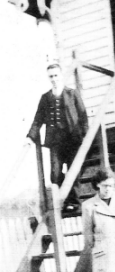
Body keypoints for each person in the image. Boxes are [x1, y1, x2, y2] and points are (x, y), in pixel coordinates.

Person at [26, 63, 88, 212]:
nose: (54, 79)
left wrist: (85, 137)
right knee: (54, 173)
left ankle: (74, 201)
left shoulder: (72, 94)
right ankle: (65, 200)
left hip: (73, 140)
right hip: (56, 142)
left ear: (61, 76)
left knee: (74, 170)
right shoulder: (45, 98)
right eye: (51, 76)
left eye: (56, 75)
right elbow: (38, 120)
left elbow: (83, 117)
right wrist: (30, 137)